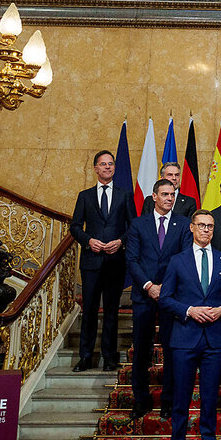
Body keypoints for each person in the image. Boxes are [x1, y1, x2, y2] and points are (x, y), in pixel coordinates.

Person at [158, 211, 221, 440]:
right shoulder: (177, 261)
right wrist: (190, 310)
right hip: (184, 339)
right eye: (202, 225)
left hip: (214, 340)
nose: (206, 230)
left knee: (209, 401)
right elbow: (165, 299)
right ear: (192, 227)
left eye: (210, 226)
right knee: (180, 401)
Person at [125, 179, 192, 420]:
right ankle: (140, 400)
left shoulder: (184, 224)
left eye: (172, 194)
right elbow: (132, 260)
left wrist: (165, 288)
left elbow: (185, 259)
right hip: (143, 295)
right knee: (141, 351)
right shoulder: (138, 224)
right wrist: (148, 285)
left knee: (171, 350)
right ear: (154, 196)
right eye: (164, 194)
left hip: (171, 297)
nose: (169, 198)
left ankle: (168, 401)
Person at [70, 150, 134, 372]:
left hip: (116, 261)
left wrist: (120, 241)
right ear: (95, 168)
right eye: (103, 164)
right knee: (88, 311)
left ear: (114, 168)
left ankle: (109, 357)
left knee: (111, 311)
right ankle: (85, 357)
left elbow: (133, 227)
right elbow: (75, 227)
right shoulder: (84, 196)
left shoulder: (125, 195)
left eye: (110, 164)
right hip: (91, 262)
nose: (107, 167)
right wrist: (89, 241)